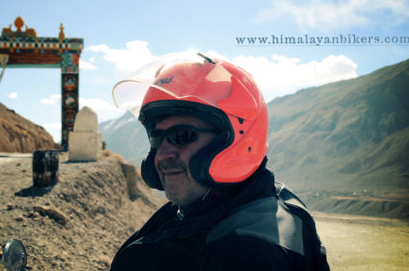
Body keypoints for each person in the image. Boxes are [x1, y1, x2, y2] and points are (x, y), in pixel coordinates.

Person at [110, 52, 330, 270]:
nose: (163, 153)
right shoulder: (214, 207)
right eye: (156, 137)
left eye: (182, 135)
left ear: (236, 139)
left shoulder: (249, 253)